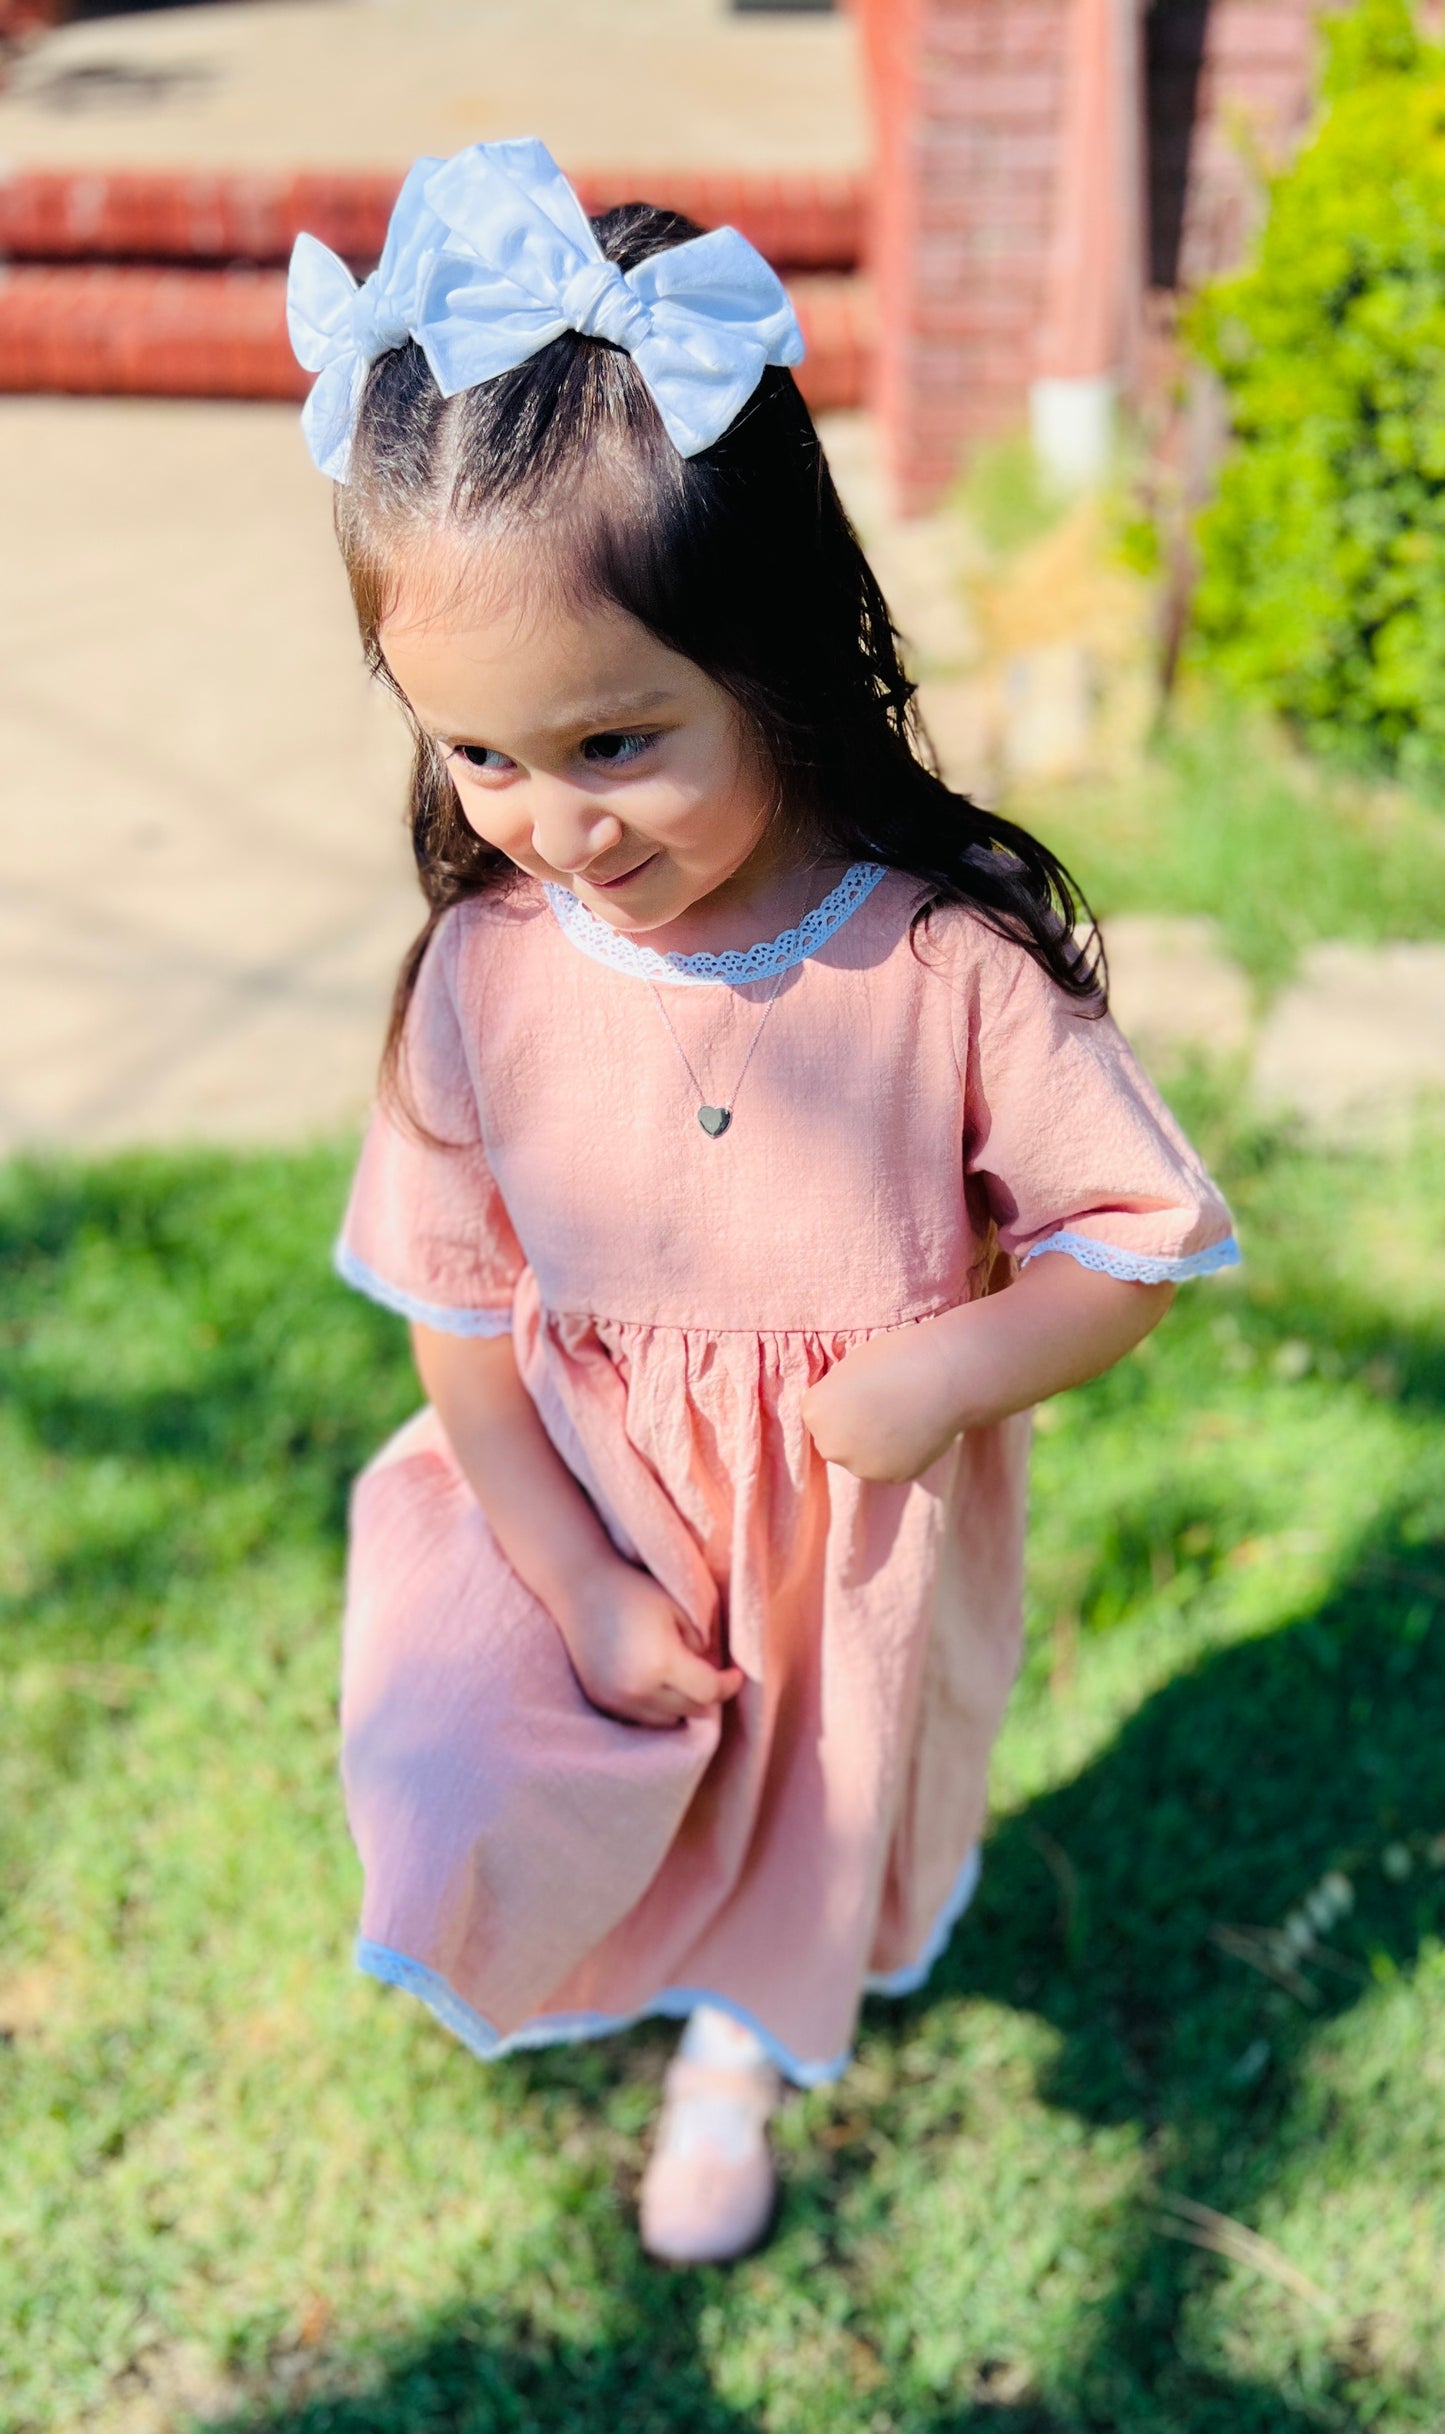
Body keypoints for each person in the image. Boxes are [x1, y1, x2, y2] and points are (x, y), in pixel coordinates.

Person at [286, 139, 1239, 2268]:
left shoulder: (941, 965)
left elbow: (1135, 1238)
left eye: (617, 739)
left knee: (805, 1818)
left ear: (776, 652)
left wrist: (943, 1374)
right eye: (482, 757)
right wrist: (575, 1567)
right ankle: (610, 1941)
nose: (556, 827)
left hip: (842, 1540)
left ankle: (740, 2040)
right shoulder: (489, 974)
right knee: (472, 1767)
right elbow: (456, 1302)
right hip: (576, 1492)